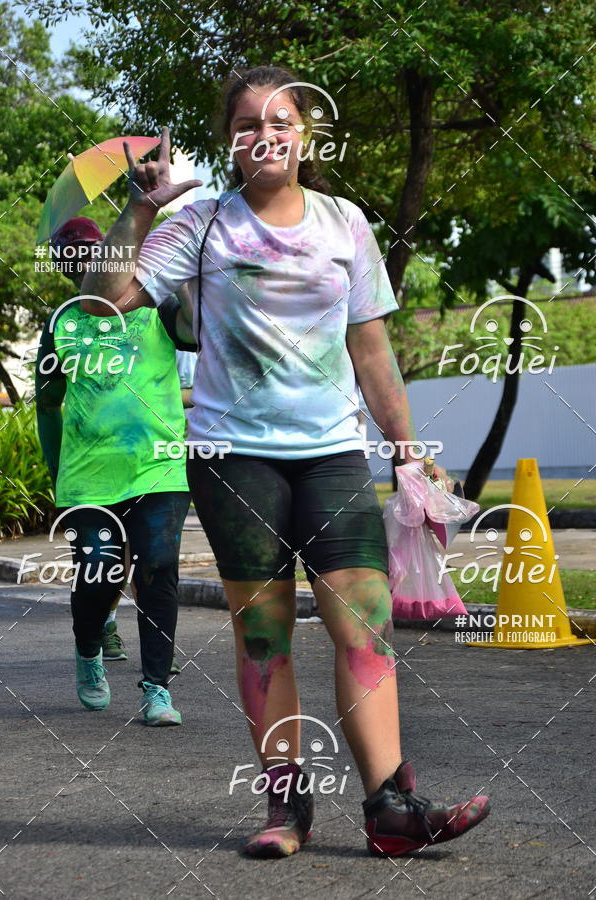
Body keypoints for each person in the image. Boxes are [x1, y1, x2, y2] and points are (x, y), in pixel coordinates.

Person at [80, 66, 490, 856]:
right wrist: (138, 206)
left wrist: (410, 456)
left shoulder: (344, 223)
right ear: (230, 141)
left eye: (281, 119)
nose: (265, 133)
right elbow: (107, 299)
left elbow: (372, 350)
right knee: (263, 636)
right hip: (236, 461)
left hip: (333, 455)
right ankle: (285, 811)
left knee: (363, 626)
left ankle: (390, 810)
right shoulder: (199, 225)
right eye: (246, 123)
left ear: (305, 133)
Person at [35, 216, 195, 724]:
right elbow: (47, 402)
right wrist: (57, 466)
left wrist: (189, 269)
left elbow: (197, 328)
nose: (82, 263)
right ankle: (89, 648)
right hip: (88, 476)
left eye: (92, 252)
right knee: (100, 571)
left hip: (159, 467)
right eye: (72, 257)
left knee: (159, 567)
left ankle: (156, 689)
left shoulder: (159, 308)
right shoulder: (60, 323)